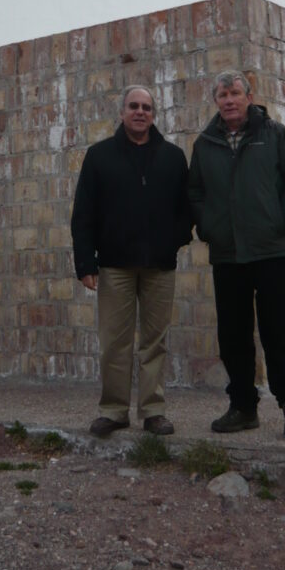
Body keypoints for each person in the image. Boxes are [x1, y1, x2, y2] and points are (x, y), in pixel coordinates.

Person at [187, 70, 285, 441]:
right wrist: (208, 227)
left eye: (235, 93)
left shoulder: (274, 135)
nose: (229, 100)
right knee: (233, 335)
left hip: (273, 251)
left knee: (280, 333)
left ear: (248, 96)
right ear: (216, 101)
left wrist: (283, 220)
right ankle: (242, 406)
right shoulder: (205, 143)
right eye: (222, 94)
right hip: (228, 255)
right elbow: (195, 193)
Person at [71, 85, 192, 438]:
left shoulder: (172, 157)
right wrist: (85, 263)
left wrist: (174, 240)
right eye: (134, 106)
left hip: (159, 266)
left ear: (153, 115)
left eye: (147, 107)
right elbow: (84, 214)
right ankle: (113, 410)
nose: (141, 112)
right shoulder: (99, 156)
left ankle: (153, 411)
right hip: (114, 266)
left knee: (155, 341)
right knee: (115, 342)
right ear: (122, 112)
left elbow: (186, 209)